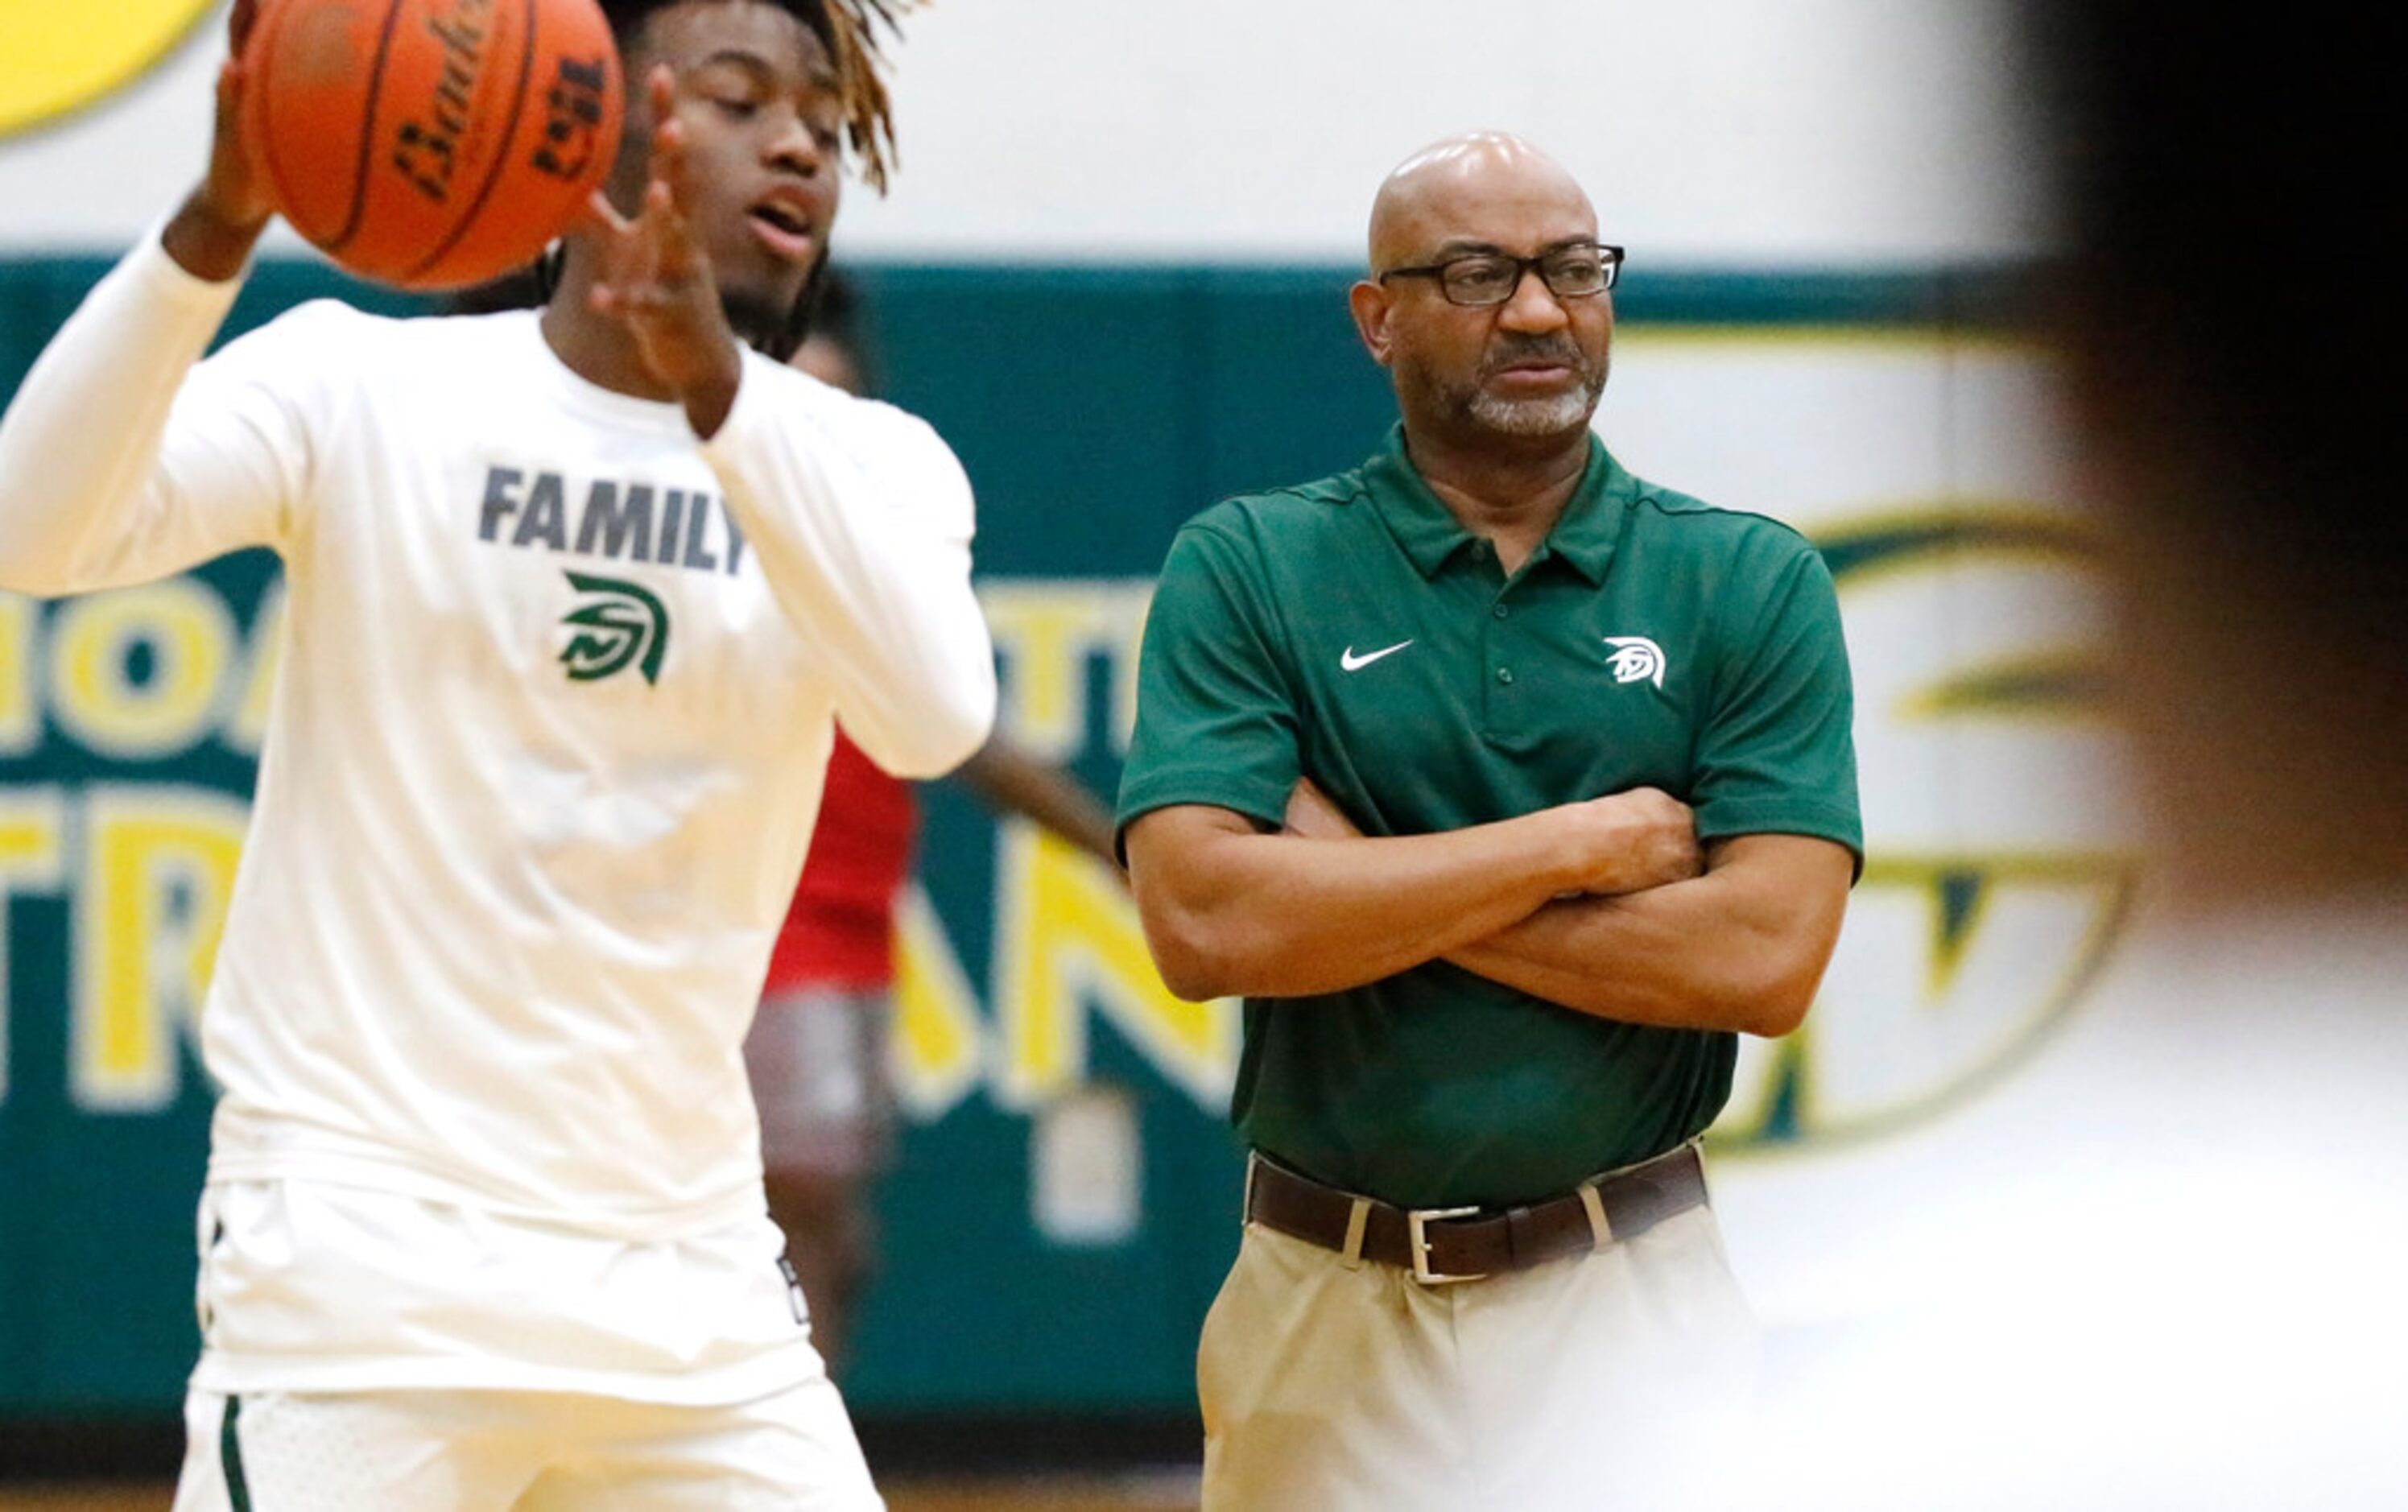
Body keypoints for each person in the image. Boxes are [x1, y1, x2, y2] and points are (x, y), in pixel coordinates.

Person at [0, 1, 995, 1507]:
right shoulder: (365, 388)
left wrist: (717, 386)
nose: (797, 141)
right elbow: (34, 529)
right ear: (575, 134)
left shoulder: (867, 463)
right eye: (736, 97)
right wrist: (213, 224)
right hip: (364, 1279)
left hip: (692, 1298)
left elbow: (932, 716)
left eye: (821, 119)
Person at [1115, 133, 1862, 1510]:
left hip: (1627, 1297)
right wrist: (1575, 847)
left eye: (1573, 269)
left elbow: (1764, 960)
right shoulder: (1251, 563)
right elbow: (1206, 919)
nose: (1537, 310)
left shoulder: (1747, 579)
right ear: (1377, 316)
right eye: (1479, 272)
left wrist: (1353, 880)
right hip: (1320, 1300)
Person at [750, 269, 1122, 1378]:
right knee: (794, 1225)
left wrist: (1118, 850)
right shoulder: (704, 556)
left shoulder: (882, 564)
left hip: (846, 936)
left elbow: (976, 739)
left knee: (833, 1232)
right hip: (748, 935)